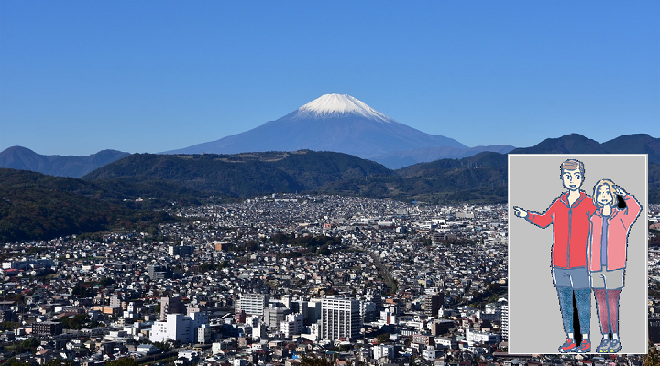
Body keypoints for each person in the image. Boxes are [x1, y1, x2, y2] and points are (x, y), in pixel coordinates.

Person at [513, 159, 597, 353]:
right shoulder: (558, 204)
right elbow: (544, 221)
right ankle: (570, 338)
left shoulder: (589, 204)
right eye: (568, 176)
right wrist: (527, 215)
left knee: (583, 301)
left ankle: (585, 339)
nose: (572, 180)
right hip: (559, 263)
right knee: (566, 302)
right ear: (562, 179)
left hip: (582, 263)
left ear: (583, 178)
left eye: (576, 176)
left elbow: (600, 225)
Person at [587, 179, 642, 353]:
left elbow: (636, 209)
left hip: (615, 266)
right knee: (601, 303)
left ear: (613, 196)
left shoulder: (621, 216)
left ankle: (615, 337)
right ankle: (605, 337)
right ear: (596, 196)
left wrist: (624, 194)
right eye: (601, 193)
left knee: (613, 302)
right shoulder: (592, 217)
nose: (604, 196)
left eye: (607, 193)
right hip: (595, 266)